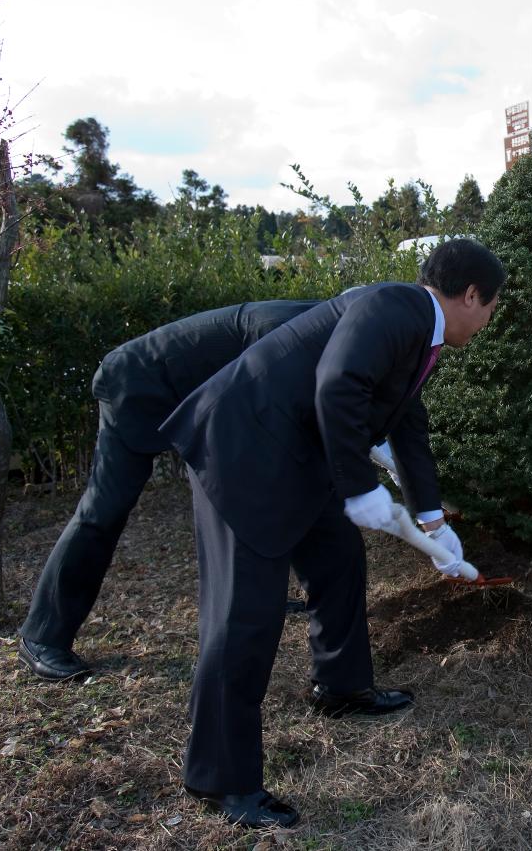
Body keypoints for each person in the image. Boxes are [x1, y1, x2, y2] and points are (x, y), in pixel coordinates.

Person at [159, 238, 505, 828]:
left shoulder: (420, 334)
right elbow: (337, 384)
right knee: (245, 615)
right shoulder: (393, 307)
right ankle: (219, 778)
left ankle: (342, 687)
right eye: (492, 306)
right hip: (245, 452)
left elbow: (407, 424)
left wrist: (432, 519)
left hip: (298, 456)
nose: (490, 319)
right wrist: (359, 488)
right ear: (471, 294)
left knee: (339, 558)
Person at [18, 300, 321, 682]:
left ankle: (255, 596)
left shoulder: (319, 328)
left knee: (247, 496)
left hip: (198, 400)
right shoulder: (286, 328)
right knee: (103, 511)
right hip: (134, 386)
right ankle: (42, 636)